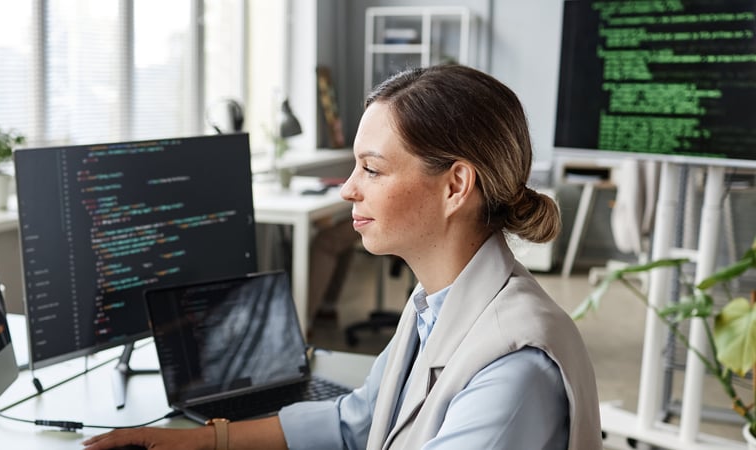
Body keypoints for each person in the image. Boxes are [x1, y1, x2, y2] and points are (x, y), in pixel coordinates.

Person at [83, 64, 602, 450]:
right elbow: (355, 422)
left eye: (371, 169)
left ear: (455, 186)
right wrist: (200, 441)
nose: (348, 190)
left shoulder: (513, 372)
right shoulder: (434, 304)